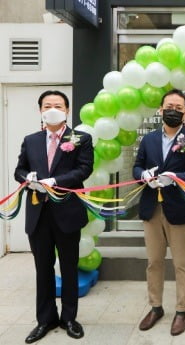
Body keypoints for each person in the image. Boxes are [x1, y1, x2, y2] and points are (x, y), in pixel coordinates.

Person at [14, 90, 94, 343]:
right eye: (47, 105)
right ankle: (45, 320)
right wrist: (28, 179)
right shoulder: (31, 140)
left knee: (69, 266)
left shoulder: (80, 138)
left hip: (67, 212)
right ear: (40, 110)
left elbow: (84, 169)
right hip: (39, 214)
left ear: (67, 110)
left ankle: (69, 318)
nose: (52, 109)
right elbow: (19, 169)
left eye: (57, 105)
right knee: (43, 268)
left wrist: (56, 181)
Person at [133, 89, 185, 336]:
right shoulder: (149, 140)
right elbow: (136, 166)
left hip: (179, 208)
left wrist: (174, 178)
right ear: (160, 110)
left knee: (181, 263)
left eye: (178, 107)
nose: (173, 110)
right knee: (153, 262)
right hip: (151, 207)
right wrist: (142, 175)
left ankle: (182, 309)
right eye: (169, 106)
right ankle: (156, 306)